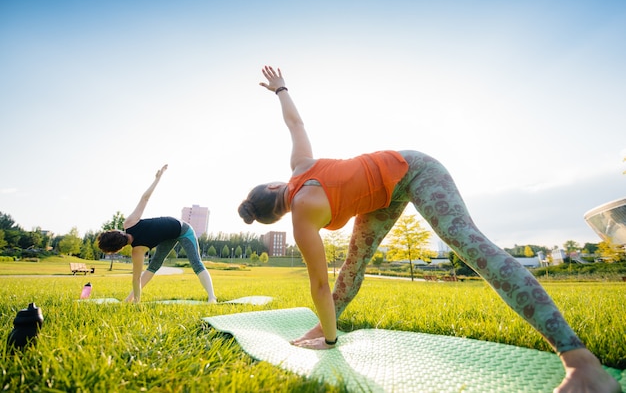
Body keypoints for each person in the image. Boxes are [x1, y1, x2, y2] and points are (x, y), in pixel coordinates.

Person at [238, 66, 620, 393]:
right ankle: (322, 328)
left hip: (416, 170)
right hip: (380, 198)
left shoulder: (301, 213)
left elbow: (318, 285)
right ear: (274, 187)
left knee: (468, 244)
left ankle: (580, 360)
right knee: (353, 267)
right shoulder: (300, 165)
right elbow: (295, 122)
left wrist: (334, 341)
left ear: (276, 216)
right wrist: (282, 89)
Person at [97, 165, 217, 304]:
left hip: (184, 231)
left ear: (119, 248)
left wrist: (137, 301)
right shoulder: (129, 223)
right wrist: (157, 179)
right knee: (156, 265)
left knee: (195, 262)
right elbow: (145, 198)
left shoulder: (137, 251)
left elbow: (136, 279)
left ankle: (212, 297)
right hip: (167, 236)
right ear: (117, 232)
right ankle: (129, 300)